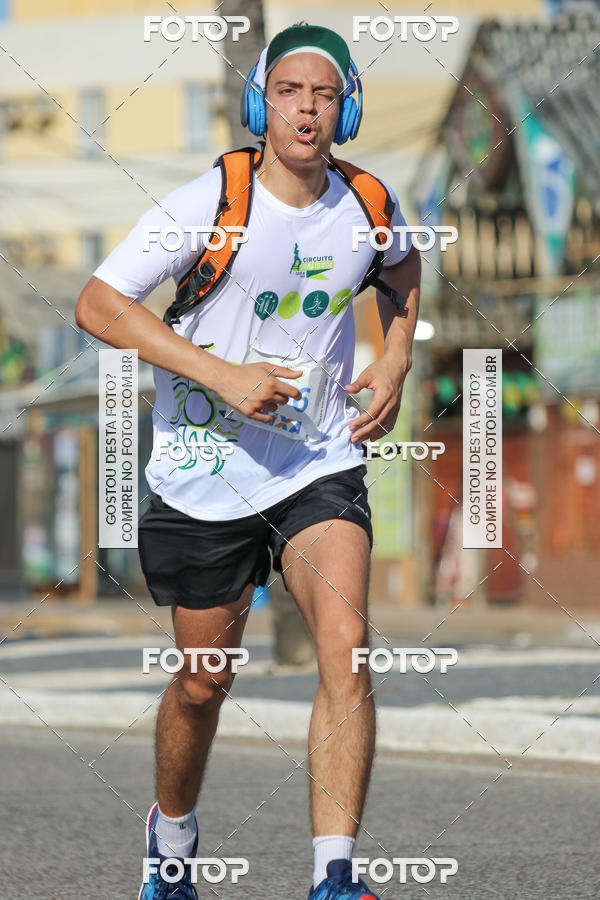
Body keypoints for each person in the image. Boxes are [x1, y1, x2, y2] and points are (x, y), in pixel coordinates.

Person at [76, 21, 421, 900]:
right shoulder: (209, 203)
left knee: (346, 649)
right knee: (202, 684)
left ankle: (333, 877)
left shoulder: (369, 202)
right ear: (261, 103)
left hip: (317, 463)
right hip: (201, 471)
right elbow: (96, 303)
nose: (308, 110)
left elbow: (403, 269)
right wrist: (218, 373)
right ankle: (173, 842)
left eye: (326, 94)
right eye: (292, 92)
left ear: (345, 109)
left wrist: (394, 358)